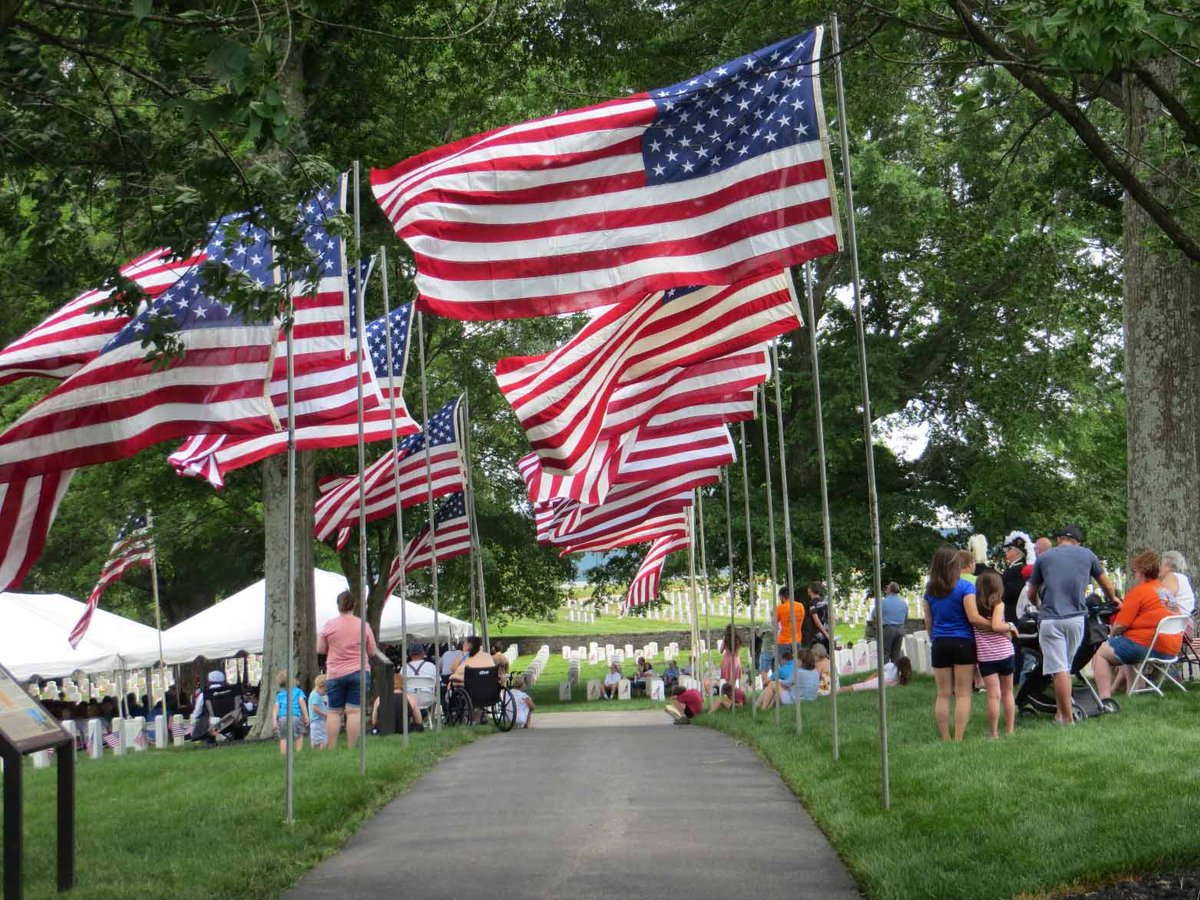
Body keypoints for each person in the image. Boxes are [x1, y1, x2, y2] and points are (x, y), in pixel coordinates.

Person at [1026, 525, 1120, 724]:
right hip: (1077, 619)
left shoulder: (1044, 557)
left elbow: (1031, 593)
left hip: (1051, 619)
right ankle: (1061, 713)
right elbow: (1106, 584)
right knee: (1065, 668)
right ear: (1078, 542)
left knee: (1059, 670)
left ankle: (1067, 718)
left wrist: (1038, 605)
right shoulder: (1087, 555)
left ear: (1059, 539)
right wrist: (1114, 599)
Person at [1093, 550, 1183, 701]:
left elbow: (1120, 625)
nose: (1134, 574)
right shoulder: (1165, 591)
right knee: (1127, 642)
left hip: (1150, 645)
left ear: (1141, 571)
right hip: (1171, 647)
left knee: (1100, 653)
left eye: (1134, 571)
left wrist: (1111, 636)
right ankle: (1135, 689)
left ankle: (1104, 698)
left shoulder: (1138, 592)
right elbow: (1179, 615)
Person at [923, 545, 977, 742]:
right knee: (963, 694)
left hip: (939, 642)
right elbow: (972, 617)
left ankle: (945, 737)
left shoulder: (929, 591)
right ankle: (958, 737)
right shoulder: (965, 587)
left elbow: (928, 620)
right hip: (963, 641)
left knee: (943, 694)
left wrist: (933, 637)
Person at [317, 589, 381, 750]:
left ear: (338, 605)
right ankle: (352, 747)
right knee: (353, 711)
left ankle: (331, 747)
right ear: (354, 605)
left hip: (335, 673)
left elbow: (320, 649)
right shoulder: (363, 625)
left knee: (333, 712)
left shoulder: (329, 625)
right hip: (358, 671)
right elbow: (372, 651)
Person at [969, 570, 1018, 738]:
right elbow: (997, 625)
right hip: (1004, 654)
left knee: (993, 695)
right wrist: (1010, 626)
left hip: (986, 657)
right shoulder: (998, 604)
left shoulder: (974, 607)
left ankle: (993, 733)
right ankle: (1010, 730)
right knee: (1007, 693)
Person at [1000, 531, 1036, 624]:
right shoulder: (1015, 568)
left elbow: (1009, 593)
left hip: (1014, 613)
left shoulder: (1016, 570)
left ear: (1016, 552)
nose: (1006, 552)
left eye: (1009, 549)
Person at [401, 643, 437, 731]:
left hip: (410, 701)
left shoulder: (404, 668)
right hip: (427, 699)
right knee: (434, 695)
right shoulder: (431, 666)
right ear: (422, 653)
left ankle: (414, 720)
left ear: (410, 655)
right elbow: (437, 685)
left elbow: (401, 687)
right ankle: (428, 720)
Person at [271, 671, 308, 754]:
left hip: (282, 717)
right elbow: (301, 702)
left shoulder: (279, 695)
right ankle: (298, 752)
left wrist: (274, 721)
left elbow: (275, 708)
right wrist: (306, 715)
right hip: (295, 716)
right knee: (298, 735)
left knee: (284, 737)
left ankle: (283, 754)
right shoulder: (298, 691)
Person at [838, 657, 913, 692]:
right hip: (879, 683)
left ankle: (837, 690)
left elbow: (875, 674)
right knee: (855, 687)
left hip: (877, 681)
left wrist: (865, 682)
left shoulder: (890, 665)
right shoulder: (900, 678)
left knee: (854, 687)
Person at [878, 583, 909, 663]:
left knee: (885, 653)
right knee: (896, 654)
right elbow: (906, 616)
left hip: (888, 628)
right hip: (900, 628)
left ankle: (885, 673)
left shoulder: (884, 602)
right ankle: (895, 673)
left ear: (890, 590)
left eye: (887, 588)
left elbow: (874, 615)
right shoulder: (903, 602)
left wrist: (876, 625)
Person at [1161, 550, 1195, 618]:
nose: (1159, 567)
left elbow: (1163, 600)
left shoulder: (1171, 577)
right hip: (1185, 622)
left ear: (1168, 566)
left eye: (1161, 564)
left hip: (1173, 622)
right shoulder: (1183, 578)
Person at [775, 584, 805, 659]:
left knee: (783, 665)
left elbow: (774, 623)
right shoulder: (800, 606)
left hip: (784, 641)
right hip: (797, 640)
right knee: (796, 664)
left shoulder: (780, 608)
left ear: (781, 596)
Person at [806, 582, 831, 650]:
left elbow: (816, 621)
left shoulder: (812, 603)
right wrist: (830, 633)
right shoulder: (825, 601)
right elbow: (833, 617)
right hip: (828, 631)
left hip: (818, 635)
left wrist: (825, 634)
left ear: (810, 590)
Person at [309, 674, 329, 749]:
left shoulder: (314, 694)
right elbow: (315, 708)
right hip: (319, 721)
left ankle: (314, 753)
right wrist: (326, 714)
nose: (325, 693)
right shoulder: (315, 695)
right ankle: (322, 753)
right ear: (321, 687)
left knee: (315, 739)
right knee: (324, 739)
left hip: (315, 722)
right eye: (325, 690)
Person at [757, 622, 775, 688]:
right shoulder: (778, 625)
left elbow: (759, 635)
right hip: (776, 651)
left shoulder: (765, 624)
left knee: (763, 671)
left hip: (767, 651)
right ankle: (774, 689)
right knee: (775, 671)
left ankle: (765, 688)